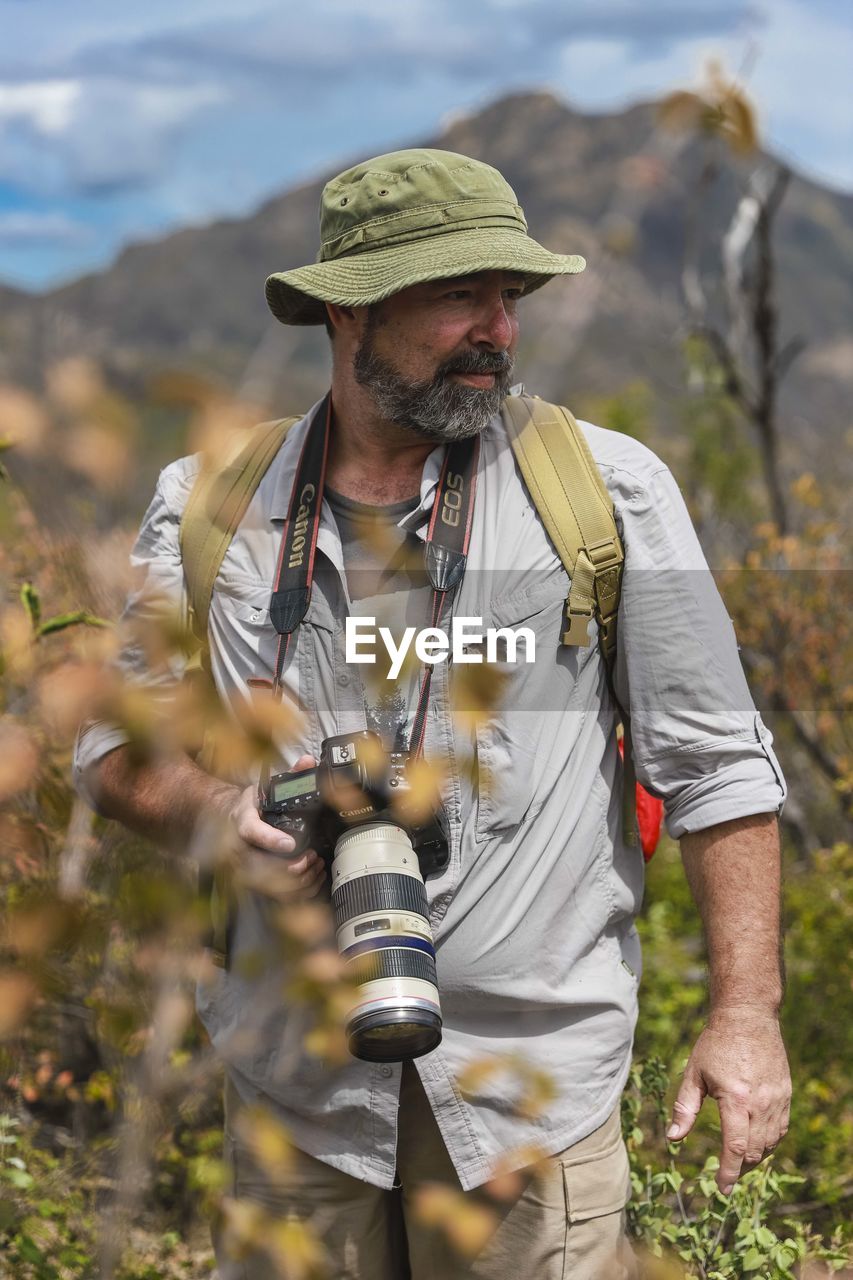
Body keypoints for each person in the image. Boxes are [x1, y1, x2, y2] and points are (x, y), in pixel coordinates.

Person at [74, 149, 791, 1280]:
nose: (498, 330)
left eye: (510, 298)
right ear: (348, 312)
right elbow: (112, 749)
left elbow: (717, 767)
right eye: (460, 294)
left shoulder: (607, 492)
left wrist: (745, 1015)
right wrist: (221, 808)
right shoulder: (208, 506)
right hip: (294, 1097)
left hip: (531, 1096)